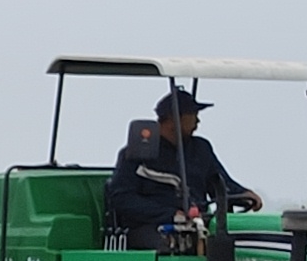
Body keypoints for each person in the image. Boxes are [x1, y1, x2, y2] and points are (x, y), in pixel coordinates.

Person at [105, 86, 257, 245]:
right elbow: (122, 198)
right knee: (171, 244)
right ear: (174, 118)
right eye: (193, 114)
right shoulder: (137, 153)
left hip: (197, 225)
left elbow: (219, 183)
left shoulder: (201, 148)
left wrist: (244, 195)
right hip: (151, 227)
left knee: (230, 243)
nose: (198, 121)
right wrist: (171, 215)